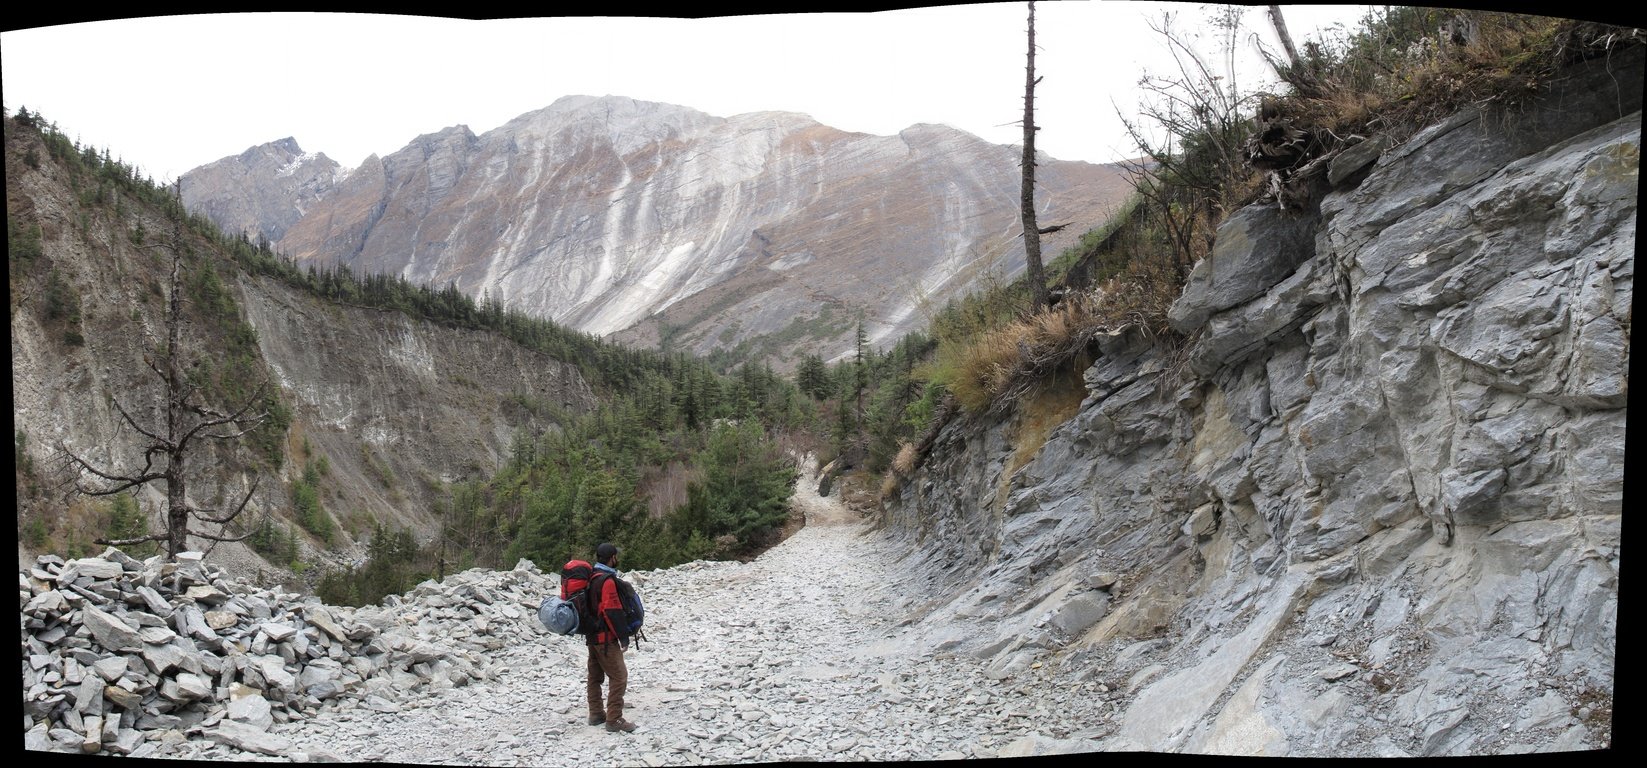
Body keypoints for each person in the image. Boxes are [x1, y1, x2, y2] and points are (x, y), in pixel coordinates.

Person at [586, 542, 639, 733]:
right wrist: (623, 637)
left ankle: (596, 713)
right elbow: (612, 610)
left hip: (591, 637)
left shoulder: (591, 576)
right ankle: (614, 719)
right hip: (605, 639)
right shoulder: (607, 580)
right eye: (616, 555)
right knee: (619, 676)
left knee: (595, 677)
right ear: (612, 558)